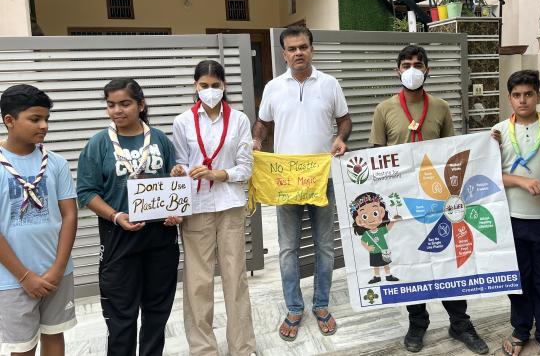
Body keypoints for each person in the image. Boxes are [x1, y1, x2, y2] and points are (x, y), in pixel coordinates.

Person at [369, 45, 488, 354]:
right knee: (411, 262)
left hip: (438, 200)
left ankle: (460, 323)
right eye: (406, 65)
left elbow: (451, 152)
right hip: (404, 202)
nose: (412, 70)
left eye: (418, 64)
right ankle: (417, 323)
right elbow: (375, 158)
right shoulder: (384, 109)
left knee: (447, 260)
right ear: (397, 71)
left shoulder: (441, 107)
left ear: (427, 70)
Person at [252, 26, 352, 341]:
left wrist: (340, 138)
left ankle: (321, 305)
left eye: (303, 47)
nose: (298, 53)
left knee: (325, 246)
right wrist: (257, 140)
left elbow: (345, 120)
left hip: (322, 178)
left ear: (312, 49)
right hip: (286, 181)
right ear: (283, 54)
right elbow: (263, 123)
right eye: (292, 48)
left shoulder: (330, 84)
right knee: (287, 249)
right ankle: (294, 308)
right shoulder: (273, 87)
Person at [77, 78, 181, 356]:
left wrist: (175, 210)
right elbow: (86, 192)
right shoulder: (98, 144)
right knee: (121, 315)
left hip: (160, 237)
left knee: (157, 311)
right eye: (111, 105)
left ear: (141, 105)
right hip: (119, 236)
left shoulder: (159, 139)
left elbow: (173, 182)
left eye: (124, 104)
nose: (117, 111)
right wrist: (115, 215)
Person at [170, 60, 257, 356]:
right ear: (195, 86)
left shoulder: (239, 120)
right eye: (204, 85)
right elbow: (181, 162)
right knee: (198, 281)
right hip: (196, 207)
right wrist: (180, 171)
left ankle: (242, 347)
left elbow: (246, 168)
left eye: (215, 85)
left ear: (224, 86)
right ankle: (203, 349)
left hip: (230, 205)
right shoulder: (183, 121)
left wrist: (218, 174)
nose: (210, 91)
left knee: (235, 278)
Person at [491, 70, 540, 356]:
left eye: (528, 94)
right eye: (516, 95)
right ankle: (520, 331)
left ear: (539, 95)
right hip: (511, 219)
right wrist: (522, 182)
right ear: (509, 99)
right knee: (518, 280)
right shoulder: (498, 132)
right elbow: (490, 175)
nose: (522, 100)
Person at [0, 85, 78, 355]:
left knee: (54, 335)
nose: (44, 125)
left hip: (57, 272)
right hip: (12, 279)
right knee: (22, 347)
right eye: (35, 119)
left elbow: (69, 215)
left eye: (46, 118)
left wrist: (58, 269)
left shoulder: (56, 163)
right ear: (9, 120)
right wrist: (24, 276)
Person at [350, 192, 400, 284]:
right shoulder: (366, 234)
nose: (371, 219)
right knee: (376, 265)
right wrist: (368, 247)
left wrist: (393, 221)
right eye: (364, 216)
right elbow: (363, 241)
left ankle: (388, 275)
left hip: (384, 250)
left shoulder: (380, 230)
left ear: (381, 212)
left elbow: (387, 228)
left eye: (375, 213)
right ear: (359, 221)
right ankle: (377, 277)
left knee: (386, 264)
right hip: (373, 252)